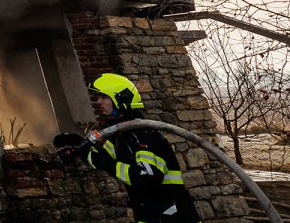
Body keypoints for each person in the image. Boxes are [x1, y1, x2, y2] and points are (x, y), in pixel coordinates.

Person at [55, 73, 200, 223]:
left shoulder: (142, 136)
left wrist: (105, 161)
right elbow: (102, 160)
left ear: (120, 98)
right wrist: (80, 146)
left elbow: (146, 178)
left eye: (104, 97)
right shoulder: (121, 135)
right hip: (149, 214)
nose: (98, 102)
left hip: (173, 216)